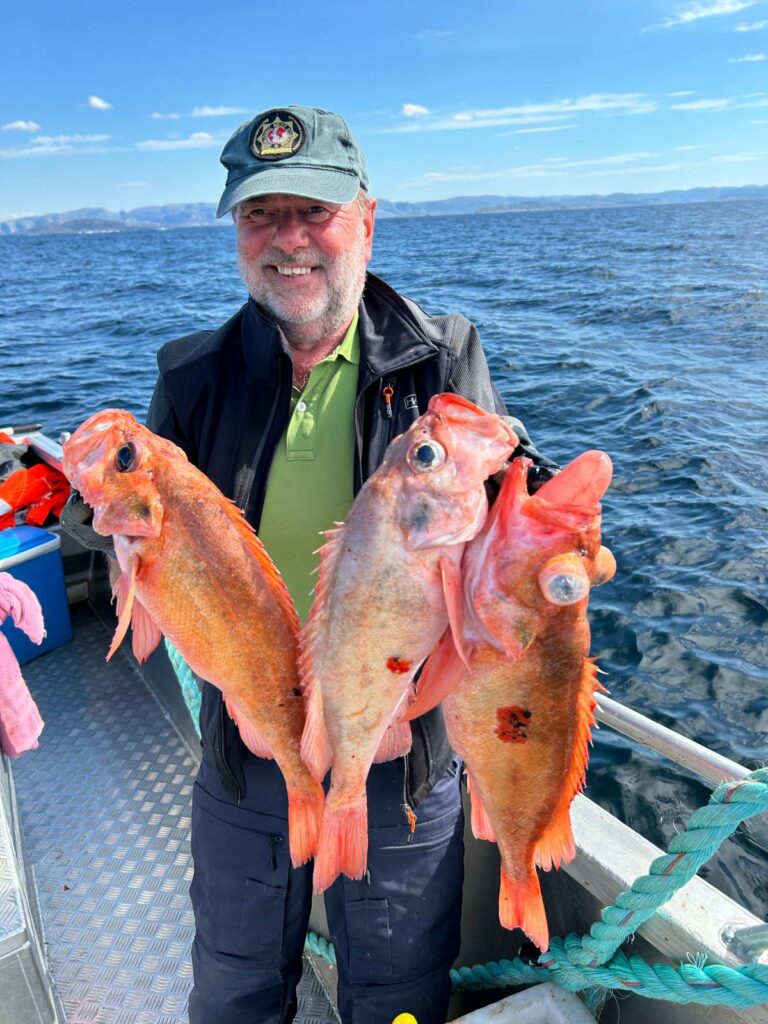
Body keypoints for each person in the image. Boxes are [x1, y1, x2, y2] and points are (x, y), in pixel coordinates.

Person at [65, 104, 555, 1024]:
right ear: (237, 235)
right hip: (248, 746)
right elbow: (139, 537)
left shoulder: (443, 359)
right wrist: (98, 515)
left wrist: (552, 516)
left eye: (314, 212)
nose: (288, 239)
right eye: (260, 215)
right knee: (233, 988)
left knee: (400, 997)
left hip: (402, 752)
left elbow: (512, 500)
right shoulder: (190, 376)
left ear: (366, 220)